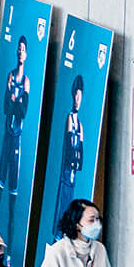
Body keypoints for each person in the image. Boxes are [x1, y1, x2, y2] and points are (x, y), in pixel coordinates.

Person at [0, 37, 30, 237]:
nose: (20, 52)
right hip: (6, 138)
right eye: (19, 48)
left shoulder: (26, 81)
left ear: (27, 54)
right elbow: (6, 108)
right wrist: (14, 101)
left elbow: (23, 111)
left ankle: (11, 247)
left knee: (13, 198)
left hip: (17, 141)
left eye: (23, 49)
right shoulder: (10, 76)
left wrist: (16, 102)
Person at [53, 76, 86, 225]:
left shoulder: (80, 125)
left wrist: (78, 163)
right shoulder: (70, 119)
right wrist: (72, 159)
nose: (77, 100)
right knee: (62, 200)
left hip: (73, 173)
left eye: (80, 97)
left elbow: (81, 149)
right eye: (76, 95)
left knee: (70, 199)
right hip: (66, 171)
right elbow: (68, 144)